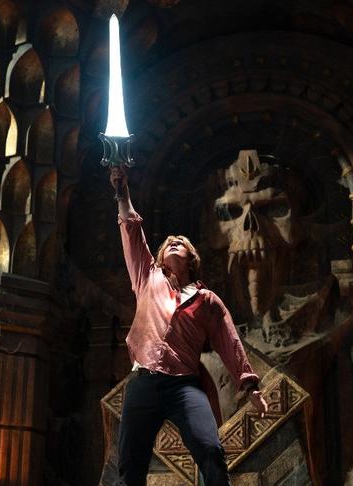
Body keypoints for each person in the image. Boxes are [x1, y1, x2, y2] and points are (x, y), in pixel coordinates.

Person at [110, 166, 268, 486]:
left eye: (179, 243)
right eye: (168, 243)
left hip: (184, 385)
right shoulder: (147, 277)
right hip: (144, 381)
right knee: (130, 463)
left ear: (191, 257)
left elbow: (229, 341)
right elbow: (131, 229)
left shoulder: (207, 300)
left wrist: (250, 386)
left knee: (210, 449)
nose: (172, 243)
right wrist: (122, 192)